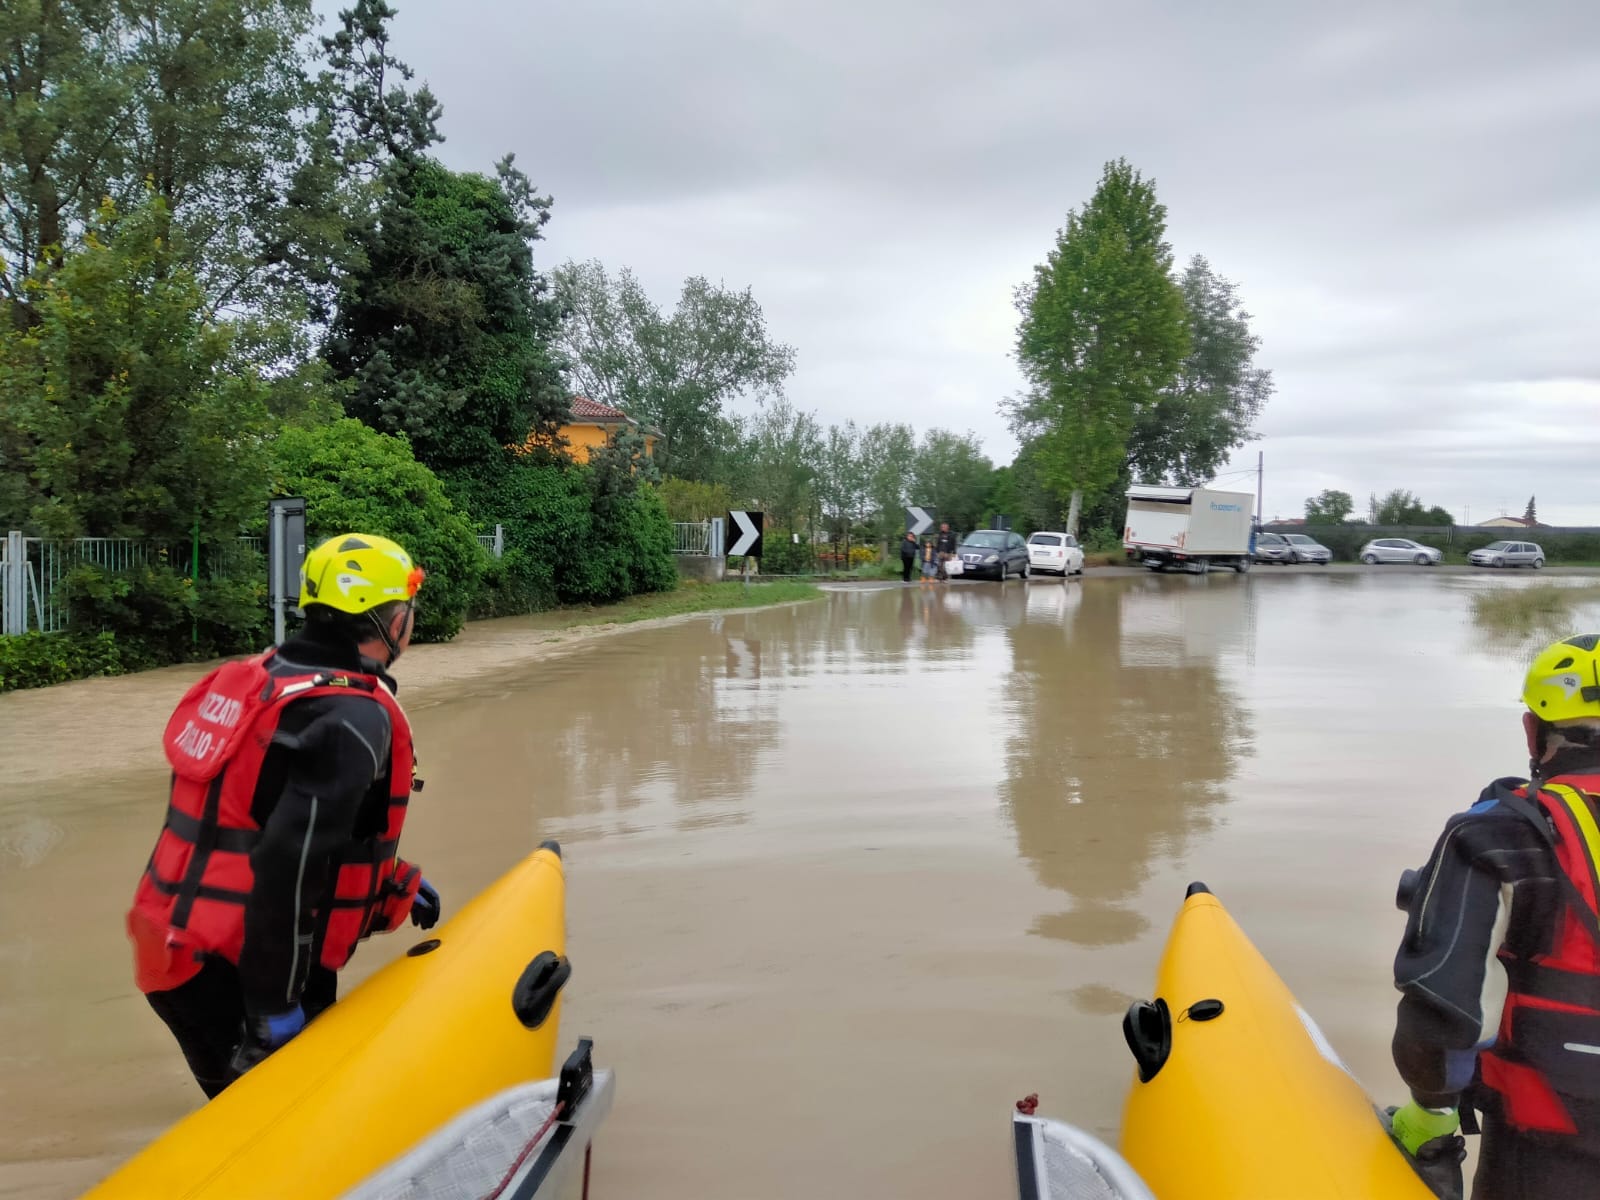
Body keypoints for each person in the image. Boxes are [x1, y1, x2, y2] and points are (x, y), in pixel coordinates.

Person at [126, 532, 441, 1099]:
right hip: (236, 964)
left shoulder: (264, 678)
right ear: (393, 620)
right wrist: (275, 1004)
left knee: (237, 1112)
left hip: (172, 938)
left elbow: (250, 817)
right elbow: (286, 866)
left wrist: (391, 881)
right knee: (278, 1126)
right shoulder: (351, 718)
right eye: (410, 610)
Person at [1390, 633, 1600, 1198]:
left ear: (1533, 731)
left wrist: (1431, 1115)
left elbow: (1444, 1009)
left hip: (1551, 1132)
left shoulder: (1495, 834)